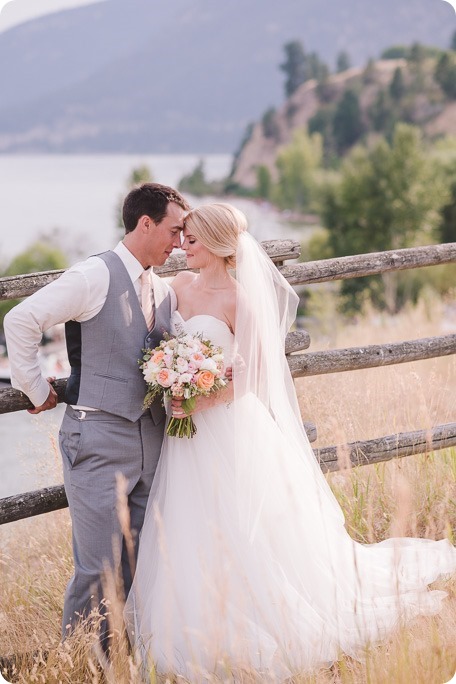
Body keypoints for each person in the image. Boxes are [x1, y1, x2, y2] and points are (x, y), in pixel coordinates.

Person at [125, 203, 456, 680]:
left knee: (238, 522)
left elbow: (256, 373)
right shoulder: (176, 289)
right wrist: (171, 381)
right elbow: (158, 344)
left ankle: (256, 620)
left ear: (218, 246)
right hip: (185, 437)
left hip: (226, 426)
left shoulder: (239, 301)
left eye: (192, 240)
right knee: (186, 518)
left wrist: (201, 399)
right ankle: (186, 625)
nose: (182, 246)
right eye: (182, 238)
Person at [4, 183, 190, 648]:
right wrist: (35, 386)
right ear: (144, 223)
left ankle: (126, 662)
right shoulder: (95, 276)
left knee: (145, 562)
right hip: (98, 438)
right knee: (99, 568)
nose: (179, 242)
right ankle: (80, 667)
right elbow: (21, 321)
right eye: (173, 231)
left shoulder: (163, 290)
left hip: (153, 441)